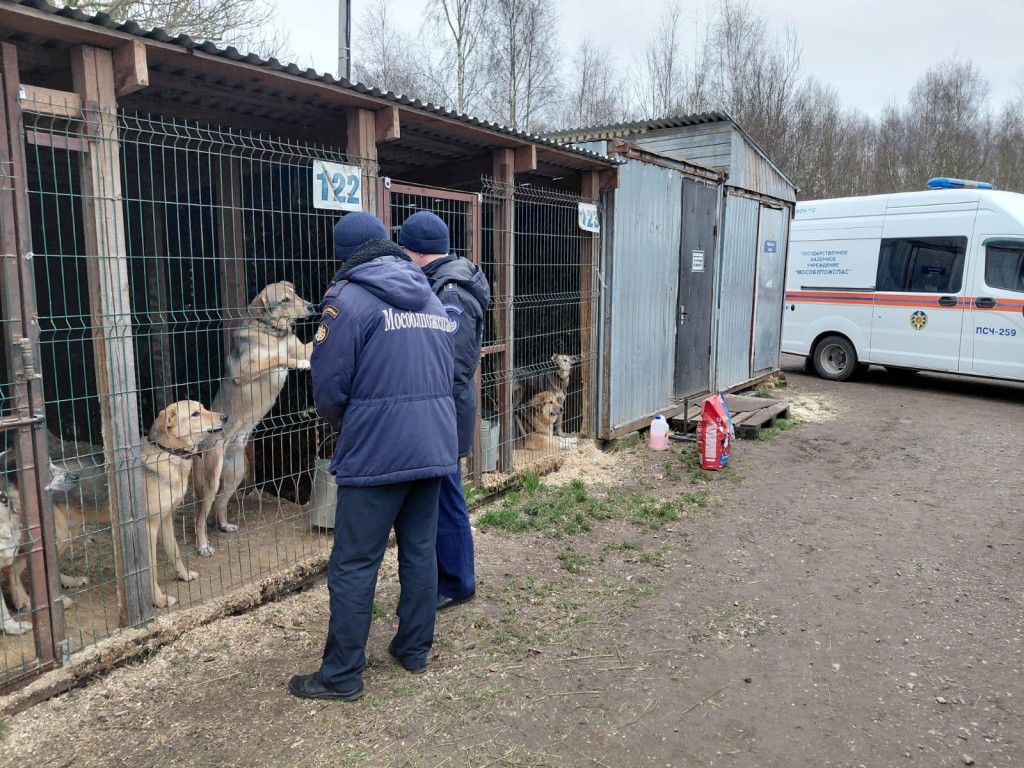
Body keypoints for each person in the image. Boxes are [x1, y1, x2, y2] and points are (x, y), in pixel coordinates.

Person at [288, 211, 458, 702]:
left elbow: (329, 386)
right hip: (433, 447)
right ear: (386, 244)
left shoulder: (346, 300)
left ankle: (341, 675)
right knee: (420, 551)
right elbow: (446, 369)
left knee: (354, 563)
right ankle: (414, 650)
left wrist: (351, 423)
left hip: (377, 452)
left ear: (344, 254)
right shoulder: (428, 294)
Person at [399, 211, 491, 611]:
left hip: (445, 410)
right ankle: (446, 575)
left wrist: (425, 408)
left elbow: (452, 364)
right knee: (440, 496)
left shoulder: (452, 291)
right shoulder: (441, 280)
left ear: (416, 251)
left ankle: (457, 582)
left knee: (448, 497)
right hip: (439, 409)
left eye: (404, 248)